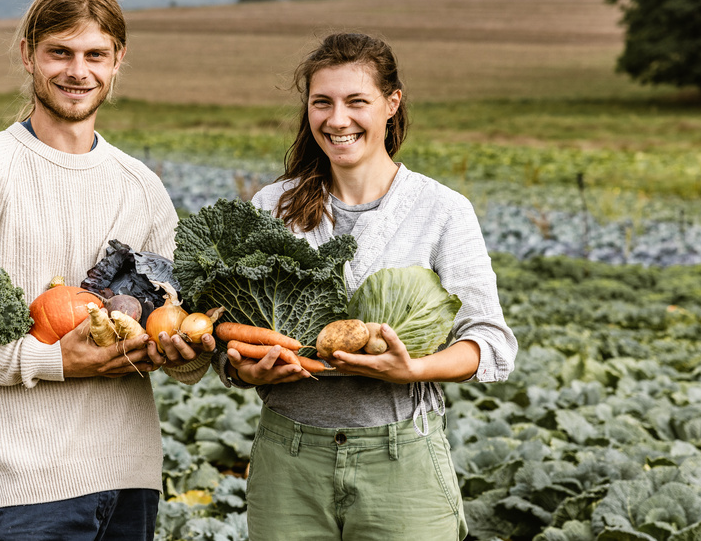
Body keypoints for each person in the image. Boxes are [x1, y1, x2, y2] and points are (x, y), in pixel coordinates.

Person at [0, 0, 215, 541]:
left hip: (132, 476)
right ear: (27, 54)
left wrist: (188, 349)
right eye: (59, 52)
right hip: (29, 487)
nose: (78, 71)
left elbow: (181, 346)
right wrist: (52, 361)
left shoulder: (141, 185)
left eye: (95, 54)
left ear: (117, 60)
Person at [216, 32, 517, 540]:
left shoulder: (440, 210)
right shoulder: (271, 206)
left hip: (400, 459)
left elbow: (489, 342)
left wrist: (412, 369)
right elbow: (229, 334)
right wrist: (246, 369)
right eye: (322, 103)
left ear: (391, 104)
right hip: (288, 459)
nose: (337, 120)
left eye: (357, 101)